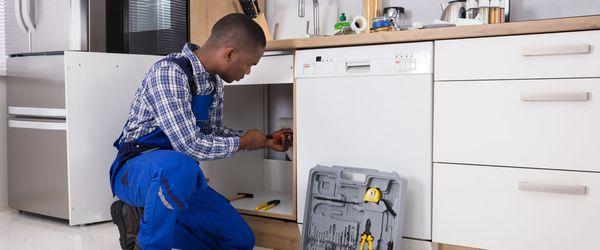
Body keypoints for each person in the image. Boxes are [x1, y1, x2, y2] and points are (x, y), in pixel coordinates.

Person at [108, 13, 292, 250]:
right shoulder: (170, 73)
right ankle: (148, 243)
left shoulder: (213, 83)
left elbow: (212, 133)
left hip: (178, 178)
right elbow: (190, 145)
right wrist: (244, 141)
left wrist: (264, 141)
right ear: (229, 53)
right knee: (180, 167)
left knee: (239, 241)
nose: (248, 72)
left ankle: (141, 219)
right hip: (135, 172)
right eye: (249, 64)